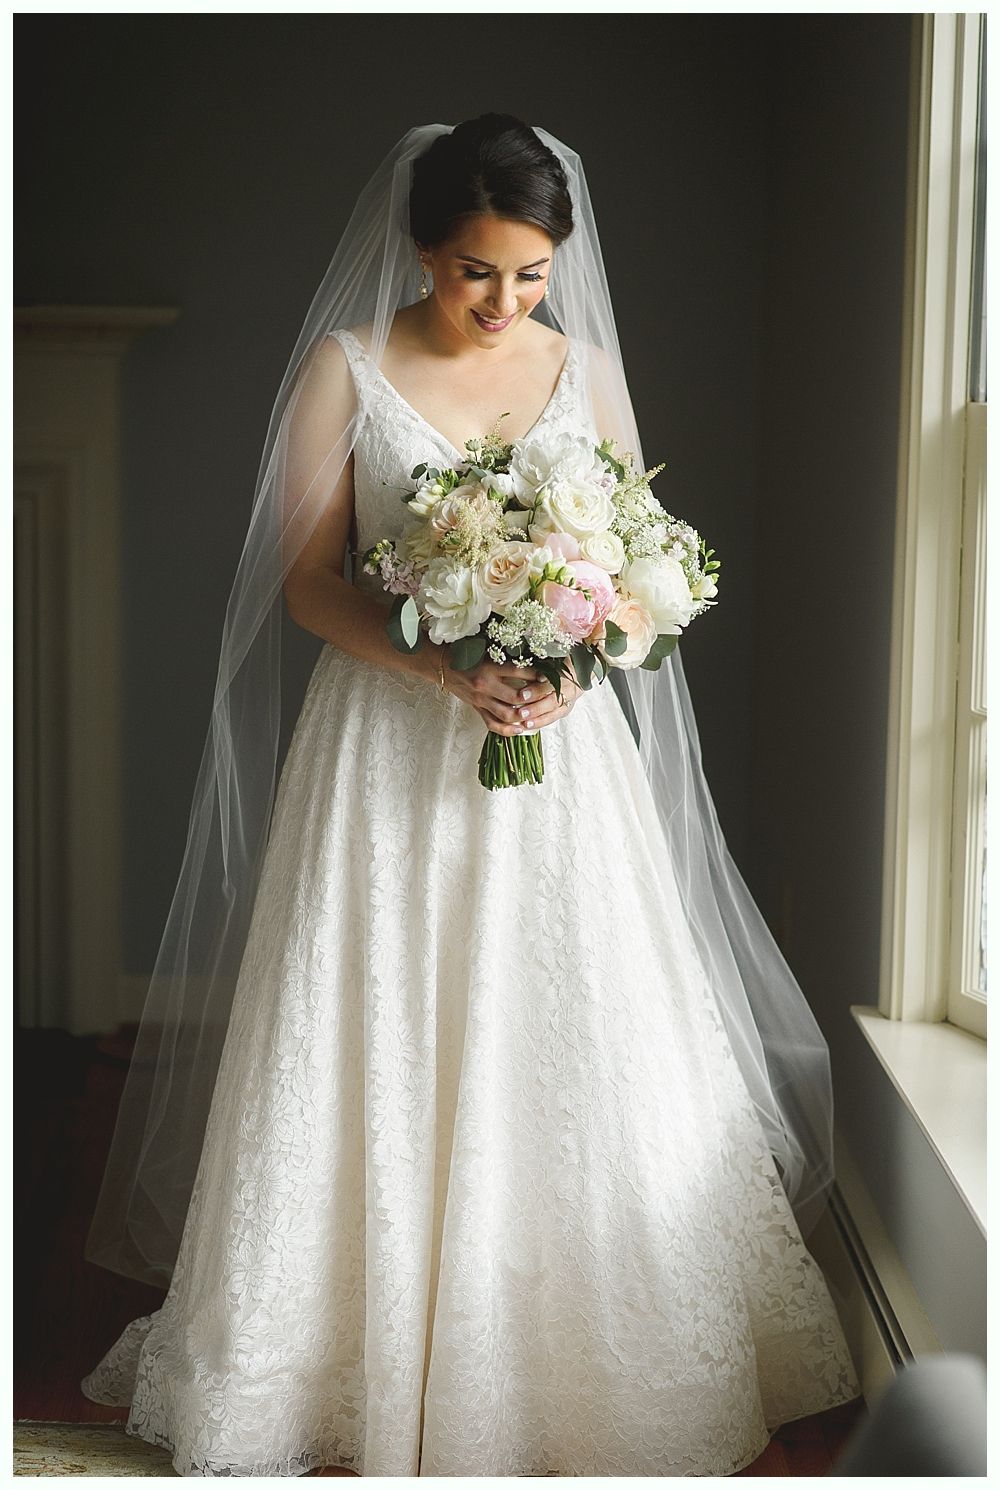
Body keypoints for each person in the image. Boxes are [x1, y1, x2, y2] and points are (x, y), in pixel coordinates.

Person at [79, 114, 861, 1476]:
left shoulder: (587, 371)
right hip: (387, 743)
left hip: (559, 763)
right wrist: (449, 668)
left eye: (530, 275)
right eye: (472, 273)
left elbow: (623, 562)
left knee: (567, 1024)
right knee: (379, 1015)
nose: (503, 305)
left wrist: (578, 656)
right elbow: (311, 579)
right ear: (422, 250)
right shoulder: (347, 369)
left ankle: (570, 1351)